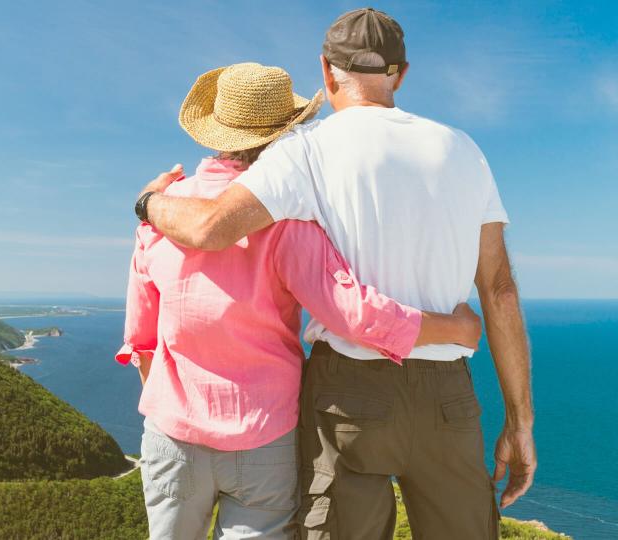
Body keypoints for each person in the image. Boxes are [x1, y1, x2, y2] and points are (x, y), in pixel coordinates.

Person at [133, 8, 535, 540]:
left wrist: (148, 202)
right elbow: (500, 291)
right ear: (401, 73)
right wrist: (519, 420)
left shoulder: (304, 151)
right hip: (446, 396)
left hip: (344, 394)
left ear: (326, 70)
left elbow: (208, 229)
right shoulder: (465, 149)